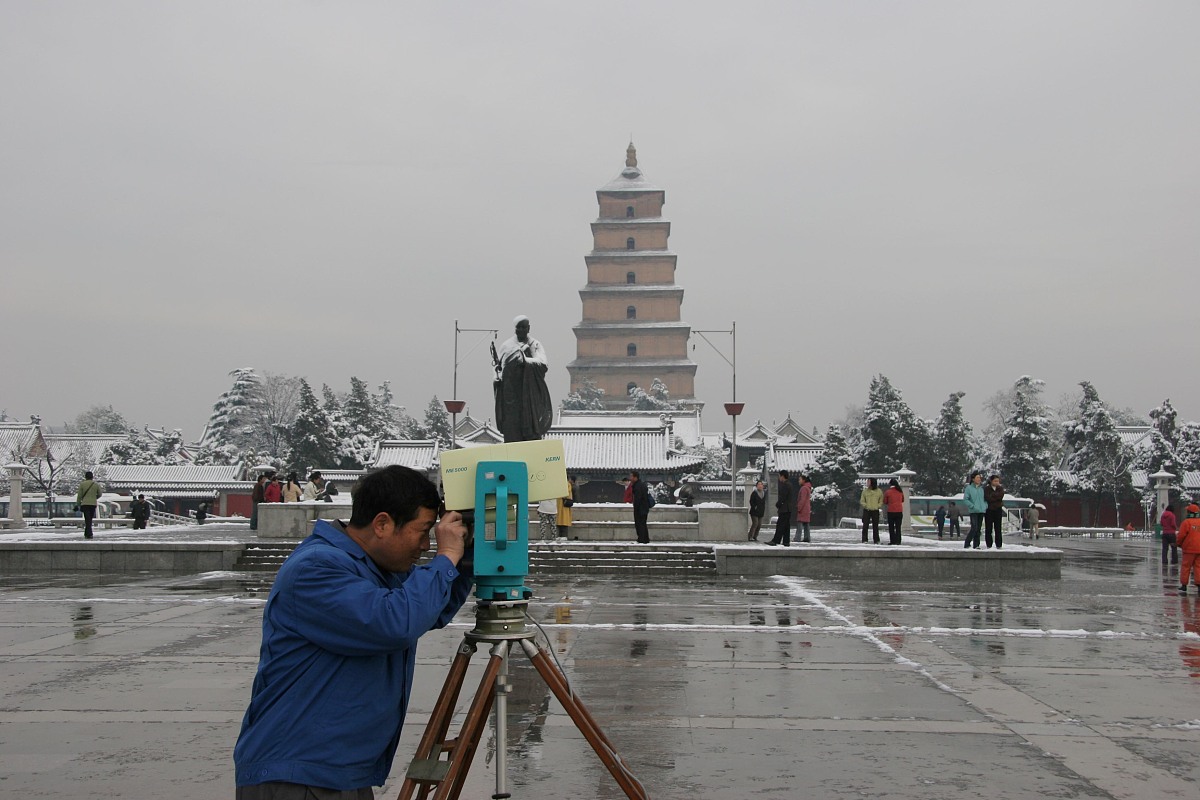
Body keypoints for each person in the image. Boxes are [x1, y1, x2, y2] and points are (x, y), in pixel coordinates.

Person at [233, 465, 473, 796]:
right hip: (298, 773)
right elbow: (396, 622)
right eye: (423, 531)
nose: (426, 546)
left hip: (339, 769)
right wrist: (447, 556)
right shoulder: (317, 568)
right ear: (383, 523)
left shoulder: (370, 567)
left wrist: (466, 557)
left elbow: (430, 607)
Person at [492, 315, 552, 443]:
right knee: (512, 430)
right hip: (510, 396)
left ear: (528, 328)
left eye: (523, 327)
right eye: (518, 327)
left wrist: (526, 361)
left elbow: (543, 364)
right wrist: (497, 377)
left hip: (529, 395)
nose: (520, 330)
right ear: (514, 329)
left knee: (530, 431)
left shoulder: (534, 344)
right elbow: (498, 368)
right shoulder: (507, 346)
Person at [767, 470, 795, 547]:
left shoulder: (785, 485)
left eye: (779, 476)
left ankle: (776, 540)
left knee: (780, 525)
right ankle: (786, 541)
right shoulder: (790, 485)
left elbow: (783, 497)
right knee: (786, 526)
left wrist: (778, 504)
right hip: (788, 509)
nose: (779, 478)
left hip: (784, 508)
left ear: (782, 476)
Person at [1177, 504, 1200, 595]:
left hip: (1189, 549)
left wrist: (1178, 544)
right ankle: (1199, 584)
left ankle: (1184, 585)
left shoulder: (1186, 522)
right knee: (1198, 567)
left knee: (1186, 567)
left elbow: (1181, 535)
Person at [76, 471, 103, 539]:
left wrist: (78, 503)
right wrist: (94, 497)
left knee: (87, 518)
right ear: (92, 477)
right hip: (93, 504)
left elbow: (79, 495)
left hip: (85, 504)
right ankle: (88, 532)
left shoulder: (82, 484)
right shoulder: (96, 484)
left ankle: (88, 533)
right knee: (90, 518)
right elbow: (100, 494)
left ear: (85, 477)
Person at [963, 472, 986, 549]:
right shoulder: (969, 488)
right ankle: (967, 543)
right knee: (974, 528)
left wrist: (985, 506)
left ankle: (976, 545)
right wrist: (972, 506)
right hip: (973, 511)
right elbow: (965, 499)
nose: (979, 479)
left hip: (981, 511)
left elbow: (985, 499)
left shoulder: (981, 489)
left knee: (978, 529)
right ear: (973, 479)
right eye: (977, 477)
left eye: (979, 478)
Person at [983, 474, 1005, 549]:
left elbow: (1000, 496)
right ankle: (989, 544)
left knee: (998, 528)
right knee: (988, 528)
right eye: (995, 481)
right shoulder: (987, 489)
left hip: (998, 510)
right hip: (989, 510)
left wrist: (993, 496)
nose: (997, 482)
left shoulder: (1000, 488)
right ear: (991, 481)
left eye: (998, 481)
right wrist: (995, 497)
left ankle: (999, 544)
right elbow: (987, 498)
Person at [859, 478, 883, 544]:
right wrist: (866, 505)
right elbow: (862, 500)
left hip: (875, 510)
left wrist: (878, 506)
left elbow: (881, 500)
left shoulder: (879, 491)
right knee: (865, 525)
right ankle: (864, 539)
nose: (867, 483)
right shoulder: (865, 491)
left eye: (868, 481)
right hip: (867, 510)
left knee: (875, 526)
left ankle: (876, 540)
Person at [629, 470, 651, 543]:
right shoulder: (641, 485)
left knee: (640, 524)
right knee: (643, 524)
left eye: (631, 476)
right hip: (644, 508)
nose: (630, 478)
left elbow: (638, 498)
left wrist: (636, 507)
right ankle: (645, 538)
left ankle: (642, 539)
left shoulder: (638, 486)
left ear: (635, 477)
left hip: (640, 508)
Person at [883, 478, 904, 545]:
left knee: (891, 527)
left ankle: (893, 541)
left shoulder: (888, 492)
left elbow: (885, 501)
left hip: (891, 511)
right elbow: (902, 500)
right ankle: (898, 541)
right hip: (899, 511)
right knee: (898, 527)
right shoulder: (900, 491)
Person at [795, 473, 812, 543]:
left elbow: (802, 499)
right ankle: (807, 537)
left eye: (800, 479)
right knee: (806, 524)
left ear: (804, 480)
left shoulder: (804, 488)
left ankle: (797, 538)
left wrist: (799, 507)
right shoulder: (808, 488)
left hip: (803, 508)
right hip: (807, 508)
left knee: (800, 523)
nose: (799, 481)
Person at [556, 476, 575, 540]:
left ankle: (564, 535)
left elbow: (566, 493)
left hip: (564, 504)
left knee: (563, 520)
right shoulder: (562, 484)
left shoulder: (567, 484)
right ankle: (560, 535)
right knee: (561, 520)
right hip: (560, 504)